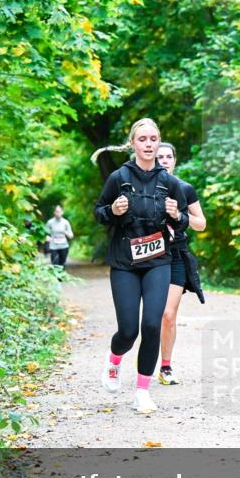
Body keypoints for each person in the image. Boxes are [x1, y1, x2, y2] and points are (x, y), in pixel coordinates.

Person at [92, 118, 189, 413]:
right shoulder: (118, 178)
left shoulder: (170, 183)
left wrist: (175, 214)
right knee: (128, 330)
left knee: (151, 325)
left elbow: (185, 221)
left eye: (153, 139)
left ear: (159, 143)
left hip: (158, 261)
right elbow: (99, 213)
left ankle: (143, 391)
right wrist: (113, 210)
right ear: (133, 143)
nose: (149, 144)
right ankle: (114, 359)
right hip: (124, 262)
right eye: (143, 139)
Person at [155, 142, 206, 386]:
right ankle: (143, 360)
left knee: (168, 314)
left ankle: (166, 366)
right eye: (159, 156)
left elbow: (201, 223)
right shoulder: (143, 188)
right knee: (150, 317)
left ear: (175, 160)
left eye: (168, 157)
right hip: (149, 256)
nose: (164, 160)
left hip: (175, 254)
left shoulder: (184, 189)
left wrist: (179, 216)